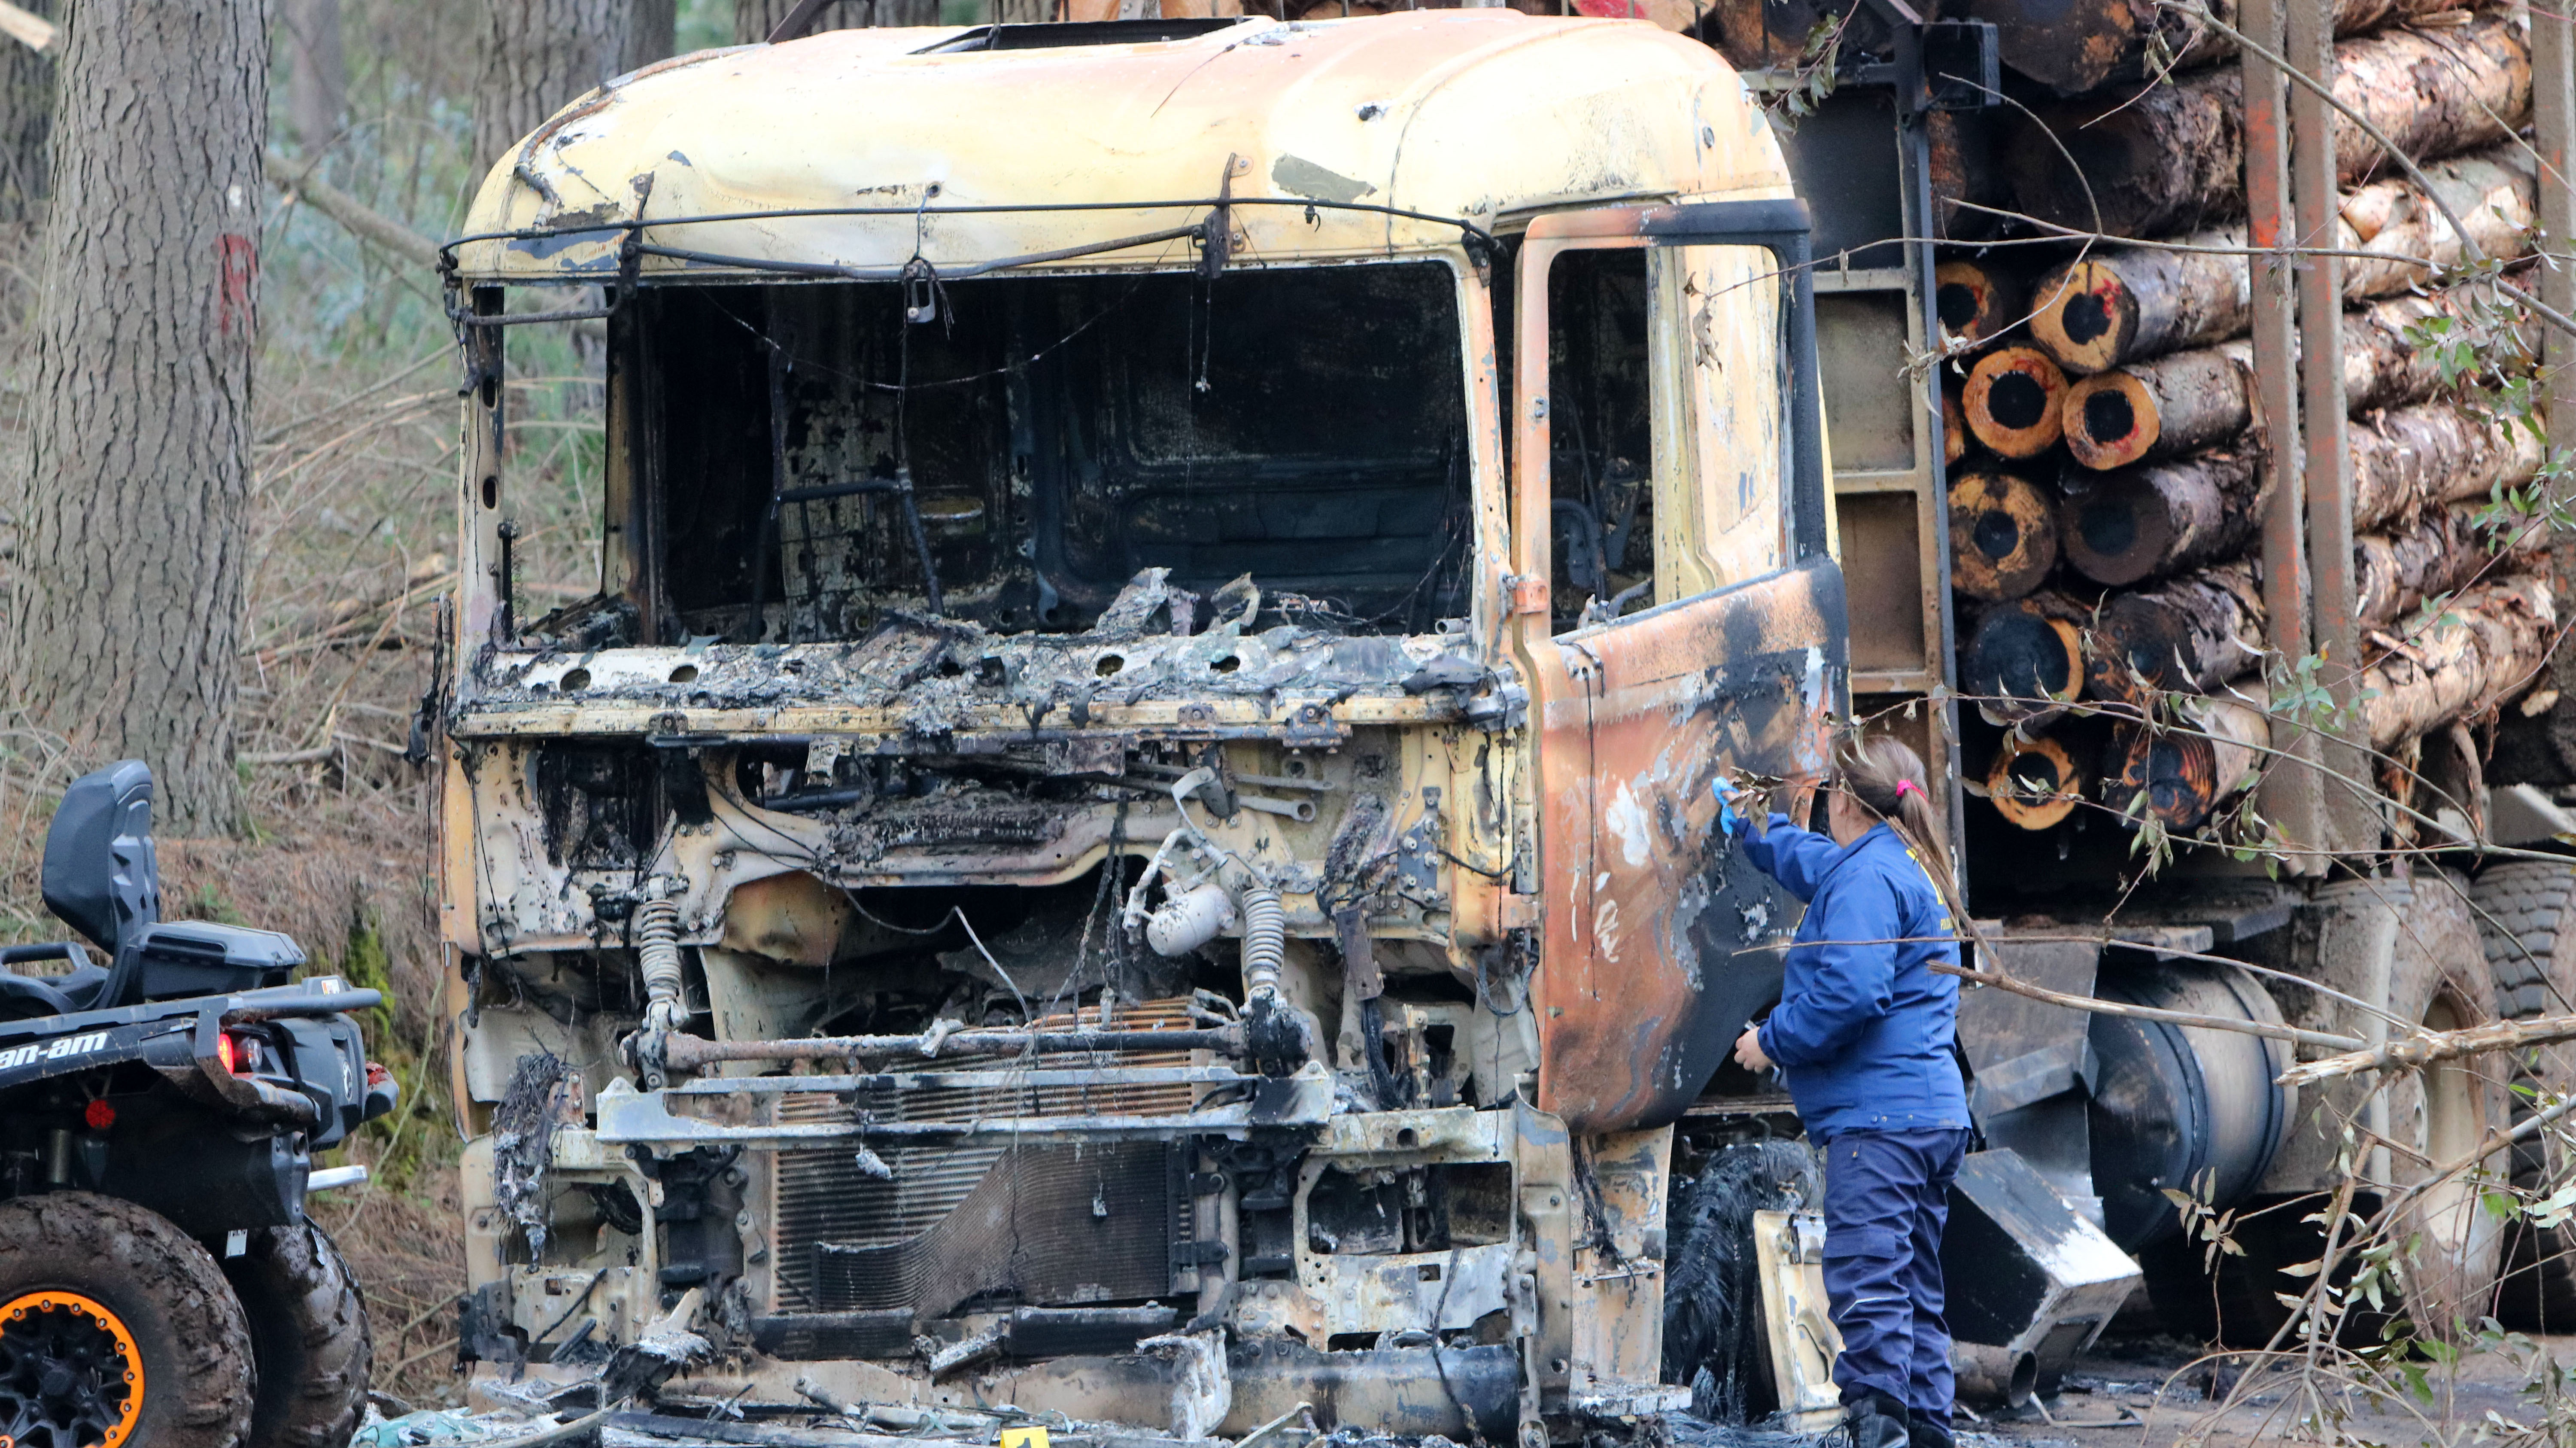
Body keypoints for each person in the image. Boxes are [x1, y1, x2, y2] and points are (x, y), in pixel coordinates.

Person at [1715, 733, 1974, 1448]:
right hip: (1928, 1117)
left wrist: (1772, 1039)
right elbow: (1819, 867)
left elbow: (1852, 992)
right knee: (1914, 1288)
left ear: (1841, 801)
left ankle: (1882, 1432)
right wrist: (1752, 832)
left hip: (1879, 1124)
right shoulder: (1904, 863)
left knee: (1868, 1283)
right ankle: (1927, 1432)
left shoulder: (1868, 880)